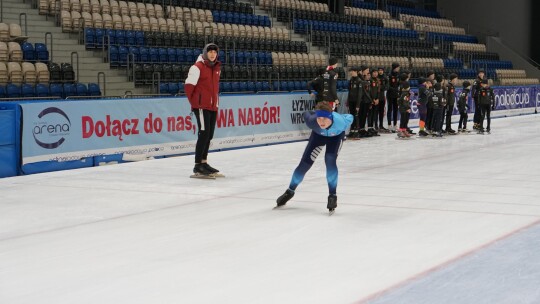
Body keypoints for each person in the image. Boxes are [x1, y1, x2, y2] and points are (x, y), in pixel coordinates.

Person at [276, 101, 353, 213]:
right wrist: (315, 113)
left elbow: (350, 117)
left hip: (336, 137)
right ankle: (290, 191)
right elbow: (306, 113)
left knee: (330, 161)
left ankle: (332, 196)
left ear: (331, 117)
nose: (321, 122)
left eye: (325, 119)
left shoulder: (341, 122)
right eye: (319, 118)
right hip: (318, 136)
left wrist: (339, 116)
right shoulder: (312, 121)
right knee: (305, 164)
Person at [185, 43, 222, 177]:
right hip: (201, 106)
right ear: (205, 53)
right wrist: (196, 103)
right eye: (210, 51)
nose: (212, 54)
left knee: (209, 134)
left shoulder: (217, 68)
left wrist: (215, 102)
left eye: (214, 52)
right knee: (204, 133)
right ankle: (197, 165)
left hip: (212, 106)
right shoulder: (197, 67)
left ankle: (204, 162)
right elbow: (188, 88)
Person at [346, 67, 362, 138]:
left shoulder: (359, 80)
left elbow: (360, 94)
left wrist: (358, 105)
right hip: (351, 101)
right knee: (351, 116)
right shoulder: (351, 80)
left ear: (355, 71)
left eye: (351, 71)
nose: (350, 73)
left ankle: (357, 131)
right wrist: (348, 101)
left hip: (356, 101)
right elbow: (349, 92)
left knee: (356, 116)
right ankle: (352, 130)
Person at [357, 66, 372, 137]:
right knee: (361, 115)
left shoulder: (363, 78)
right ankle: (360, 129)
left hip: (366, 100)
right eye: (367, 70)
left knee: (364, 115)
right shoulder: (359, 78)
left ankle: (362, 129)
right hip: (361, 100)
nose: (368, 72)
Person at [386, 62, 401, 133]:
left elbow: (398, 84)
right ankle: (389, 125)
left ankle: (395, 125)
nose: (399, 68)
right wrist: (395, 89)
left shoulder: (398, 75)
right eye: (398, 67)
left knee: (395, 109)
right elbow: (388, 86)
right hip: (390, 94)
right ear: (395, 67)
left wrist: (398, 90)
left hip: (396, 95)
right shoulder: (389, 75)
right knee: (390, 109)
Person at [367, 68, 380, 136]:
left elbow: (378, 91)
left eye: (376, 72)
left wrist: (377, 98)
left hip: (376, 100)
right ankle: (369, 128)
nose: (375, 73)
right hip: (371, 100)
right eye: (374, 72)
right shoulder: (370, 80)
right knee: (370, 114)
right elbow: (370, 91)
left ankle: (372, 128)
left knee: (375, 114)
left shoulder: (377, 80)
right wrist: (372, 99)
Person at [377, 67, 389, 132]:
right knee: (376, 112)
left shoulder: (385, 78)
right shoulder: (376, 78)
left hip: (382, 97)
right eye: (379, 70)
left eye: (381, 70)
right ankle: (375, 126)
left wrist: (381, 87)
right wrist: (381, 87)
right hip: (376, 97)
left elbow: (387, 86)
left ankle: (381, 125)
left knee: (381, 112)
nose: (380, 71)